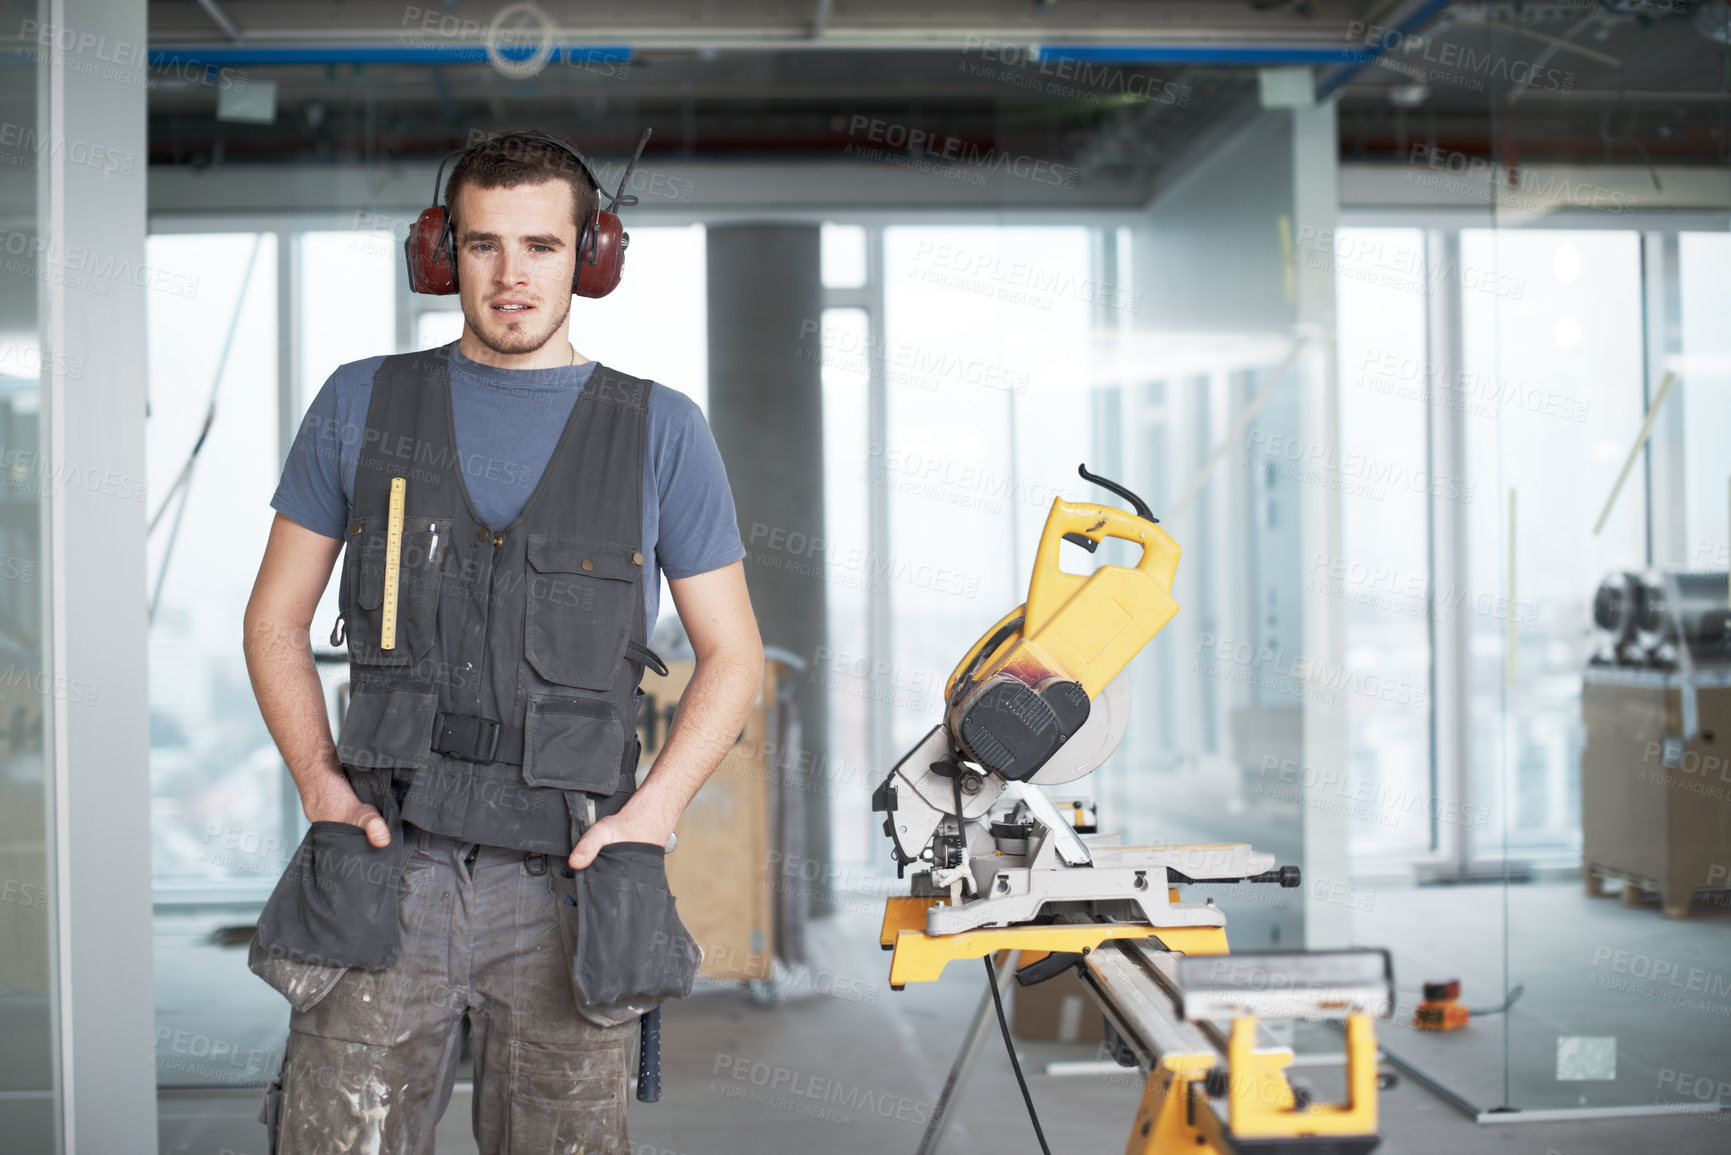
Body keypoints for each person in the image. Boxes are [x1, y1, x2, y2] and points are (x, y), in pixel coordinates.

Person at [241, 129, 763, 1153]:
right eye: (483, 245)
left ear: (591, 256)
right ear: (442, 254)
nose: (512, 275)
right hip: (386, 861)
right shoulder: (360, 405)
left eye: (542, 246)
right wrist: (317, 780)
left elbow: (734, 654)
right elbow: (273, 621)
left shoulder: (660, 431)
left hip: (567, 874)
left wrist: (653, 813)